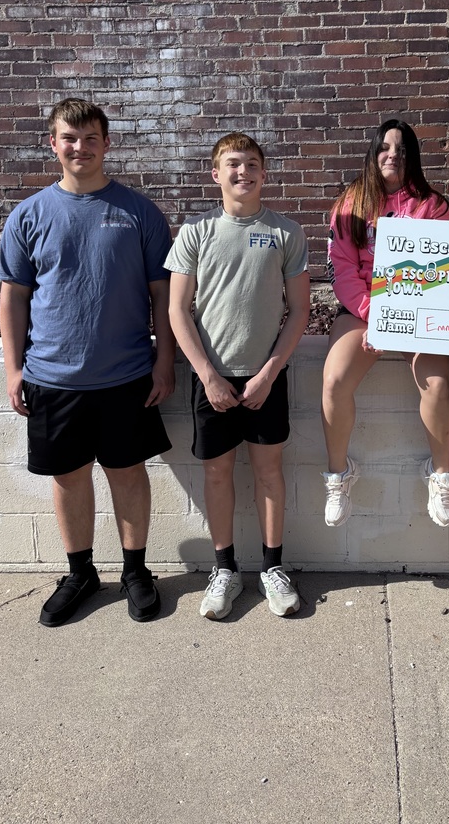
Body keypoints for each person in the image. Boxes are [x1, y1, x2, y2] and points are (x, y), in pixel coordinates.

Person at [0, 97, 175, 627]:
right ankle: (80, 572)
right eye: (69, 138)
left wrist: (164, 359)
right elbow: (14, 299)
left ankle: (136, 571)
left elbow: (162, 297)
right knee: (69, 477)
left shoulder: (139, 213)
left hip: (126, 375)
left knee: (127, 473)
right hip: (53, 377)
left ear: (107, 143)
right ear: (53, 143)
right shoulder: (28, 216)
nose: (80, 147)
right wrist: (13, 370)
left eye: (90, 137)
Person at [166, 132, 310, 620]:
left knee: (270, 473)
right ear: (216, 173)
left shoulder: (286, 232)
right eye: (232, 164)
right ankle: (224, 569)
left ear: (264, 174)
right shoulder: (195, 232)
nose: (242, 172)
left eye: (251, 164)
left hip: (264, 377)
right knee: (217, 472)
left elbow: (300, 311)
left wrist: (271, 372)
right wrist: (206, 374)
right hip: (214, 379)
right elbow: (177, 311)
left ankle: (273, 568)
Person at [321, 119, 449, 528]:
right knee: (333, 381)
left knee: (437, 384)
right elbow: (342, 270)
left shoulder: (433, 206)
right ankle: (338, 475)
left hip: (418, 312)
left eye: (401, 150)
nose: (392, 155)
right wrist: (375, 315)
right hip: (363, 310)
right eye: (384, 147)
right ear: (373, 152)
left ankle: (441, 475)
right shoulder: (351, 202)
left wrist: (400, 319)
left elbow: (444, 270)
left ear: (412, 157)